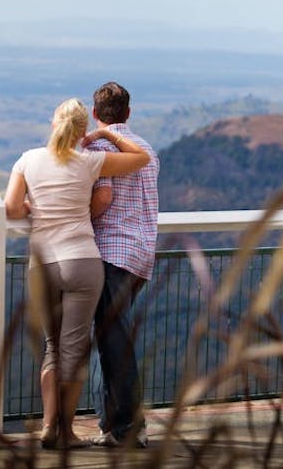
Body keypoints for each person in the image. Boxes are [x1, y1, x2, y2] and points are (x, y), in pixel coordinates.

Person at [3, 97, 150, 449]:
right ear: (83, 130)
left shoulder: (28, 160)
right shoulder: (90, 161)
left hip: (43, 264)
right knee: (75, 350)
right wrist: (110, 135)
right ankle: (66, 431)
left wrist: (31, 206)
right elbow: (142, 158)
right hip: (82, 262)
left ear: (54, 124)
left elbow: (10, 208)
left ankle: (48, 427)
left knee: (52, 349)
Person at [85, 82, 160, 448]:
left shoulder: (100, 147)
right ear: (128, 112)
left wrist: (79, 217)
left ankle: (129, 428)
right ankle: (110, 424)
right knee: (110, 337)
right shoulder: (145, 148)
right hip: (141, 254)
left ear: (96, 113)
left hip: (111, 252)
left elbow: (104, 197)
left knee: (114, 342)